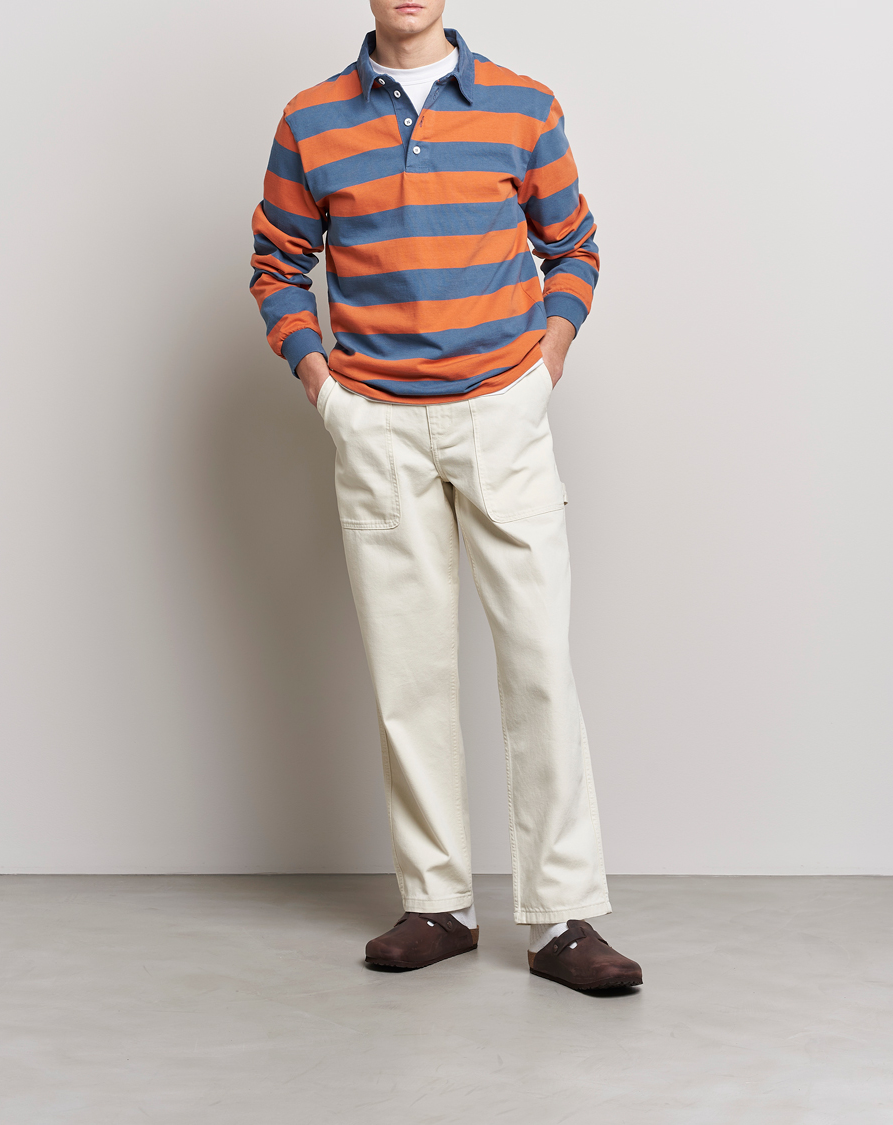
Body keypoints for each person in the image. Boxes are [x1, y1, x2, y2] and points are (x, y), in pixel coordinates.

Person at [250, 0, 642, 992]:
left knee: (539, 664)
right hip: (376, 424)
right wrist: (326, 392)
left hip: (503, 410)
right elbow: (277, 266)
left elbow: (575, 247)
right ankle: (439, 903)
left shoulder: (523, 106)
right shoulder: (311, 119)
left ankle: (562, 920)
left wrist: (544, 368)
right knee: (409, 671)